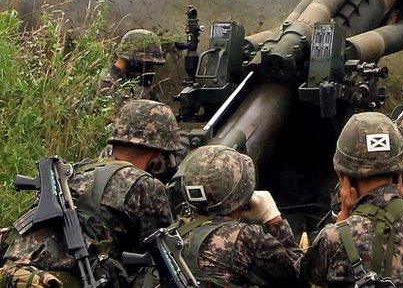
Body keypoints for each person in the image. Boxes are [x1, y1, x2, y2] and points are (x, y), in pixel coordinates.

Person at [0, 100, 181, 287]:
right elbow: (164, 260)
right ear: (159, 159)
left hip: (14, 273)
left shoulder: (78, 171)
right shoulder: (145, 185)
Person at [302, 112, 403, 287]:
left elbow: (303, 277)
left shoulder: (332, 238)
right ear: (400, 178)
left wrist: (342, 218)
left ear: (344, 179)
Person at [138, 145, 302, 287]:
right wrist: (273, 218)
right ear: (242, 193)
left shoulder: (173, 232)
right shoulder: (244, 237)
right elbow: (297, 274)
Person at [98, 29, 167, 109]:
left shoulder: (126, 80)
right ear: (134, 60)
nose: (151, 69)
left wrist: (146, 87)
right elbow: (134, 115)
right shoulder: (107, 84)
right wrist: (143, 88)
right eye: (149, 64)